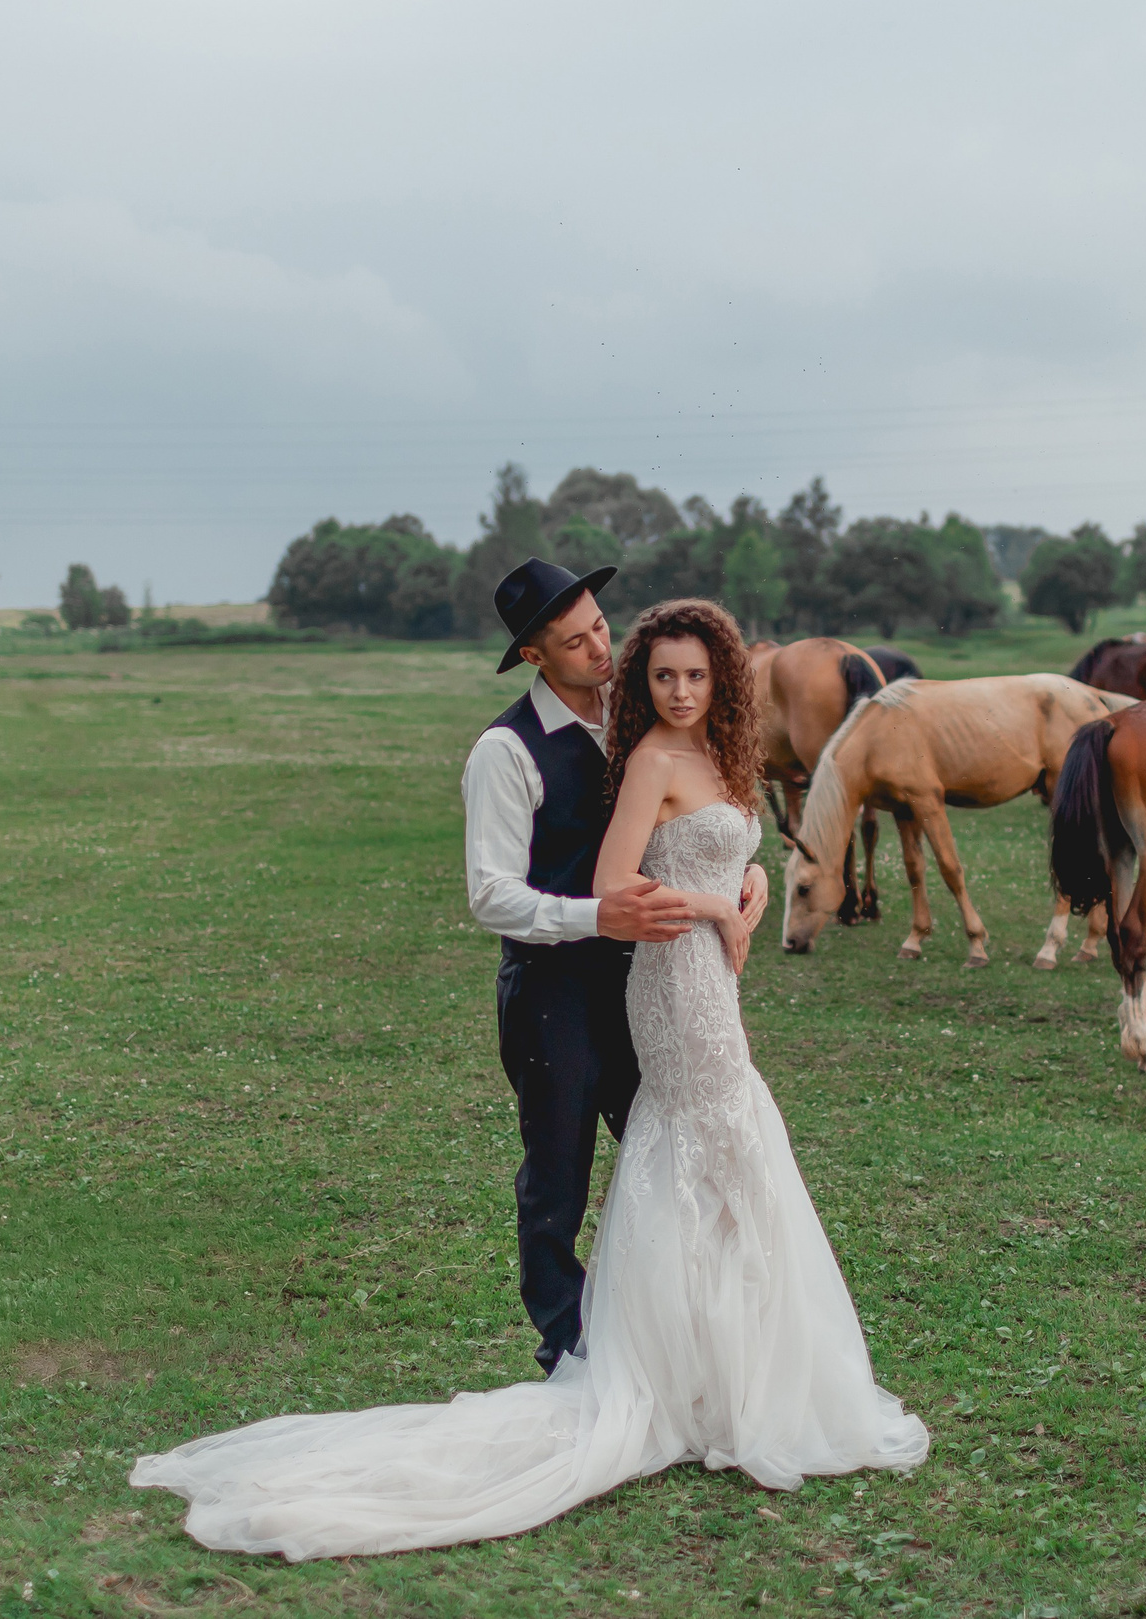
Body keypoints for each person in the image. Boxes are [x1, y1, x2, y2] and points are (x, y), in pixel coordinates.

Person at [129, 595, 928, 1559]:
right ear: (533, 652)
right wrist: (656, 911)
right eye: (581, 639)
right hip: (557, 983)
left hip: (657, 978)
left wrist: (744, 888)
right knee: (557, 1172)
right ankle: (573, 1350)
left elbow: (705, 831)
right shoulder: (505, 752)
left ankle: (711, 1349)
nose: (603, 647)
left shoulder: (636, 723)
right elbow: (493, 893)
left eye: (602, 629)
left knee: (679, 1156)